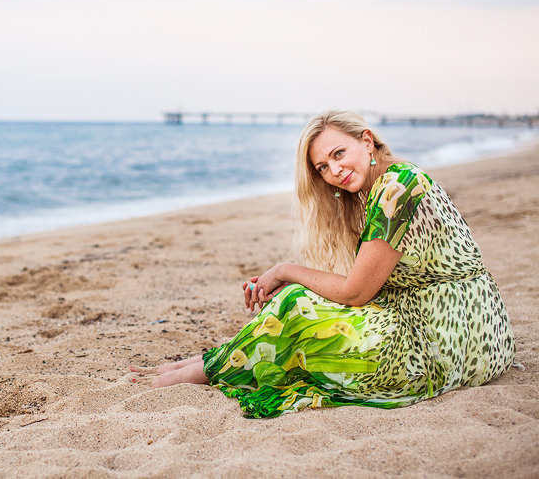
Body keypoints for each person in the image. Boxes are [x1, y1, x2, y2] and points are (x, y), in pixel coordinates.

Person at [132, 110, 515, 418]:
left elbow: (355, 291)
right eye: (322, 168)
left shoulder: (397, 189)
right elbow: (362, 286)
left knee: (296, 306)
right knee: (303, 307)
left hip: (448, 340)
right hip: (473, 331)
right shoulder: (386, 184)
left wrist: (284, 270)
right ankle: (216, 361)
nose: (334, 171)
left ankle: (210, 367)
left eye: (338, 154)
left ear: (366, 141)